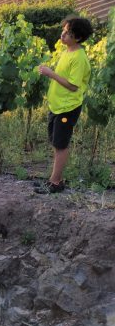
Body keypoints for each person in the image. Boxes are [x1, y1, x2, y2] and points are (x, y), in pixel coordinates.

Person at [35, 16, 93, 194]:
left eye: (68, 33)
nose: (63, 34)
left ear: (78, 37)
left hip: (68, 107)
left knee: (61, 144)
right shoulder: (68, 52)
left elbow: (73, 86)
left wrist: (51, 74)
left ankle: (54, 182)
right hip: (57, 105)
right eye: (64, 30)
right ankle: (56, 179)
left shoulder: (79, 58)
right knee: (56, 142)